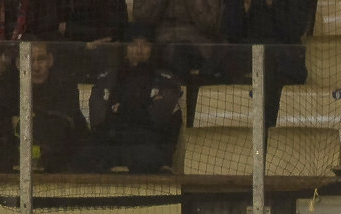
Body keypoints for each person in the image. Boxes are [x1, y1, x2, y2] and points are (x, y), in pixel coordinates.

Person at [78, 23, 184, 174]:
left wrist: (120, 109)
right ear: (125, 48)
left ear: (153, 48)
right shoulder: (109, 77)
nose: (139, 50)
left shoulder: (166, 79)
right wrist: (141, 108)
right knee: (83, 157)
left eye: (145, 44)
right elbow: (98, 119)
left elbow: (157, 119)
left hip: (147, 143)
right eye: (133, 44)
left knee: (147, 158)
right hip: (112, 141)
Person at [0, 38, 88, 172]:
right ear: (19, 63)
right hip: (13, 161)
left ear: (50, 60)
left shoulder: (65, 85)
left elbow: (63, 126)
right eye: (30, 60)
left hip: (58, 164)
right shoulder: (9, 86)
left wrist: (21, 124)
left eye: (41, 59)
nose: (36, 67)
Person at [221, 0, 312, 128]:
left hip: (283, 59)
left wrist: (272, 4)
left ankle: (266, 131)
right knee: (215, 66)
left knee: (268, 67)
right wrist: (245, 6)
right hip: (245, 55)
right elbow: (229, 30)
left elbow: (295, 29)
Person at [133, 0, 224, 79]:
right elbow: (141, 19)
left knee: (178, 54)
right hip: (161, 43)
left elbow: (210, 23)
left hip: (197, 44)